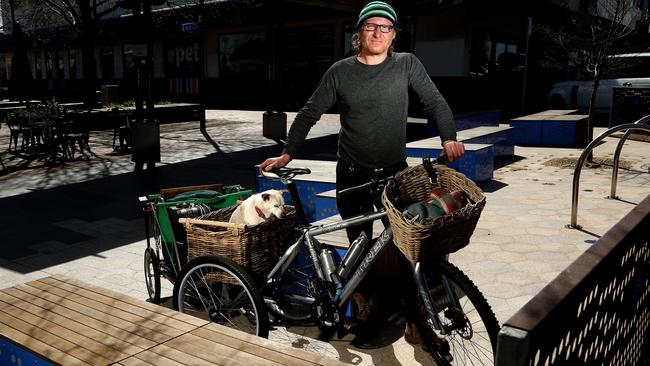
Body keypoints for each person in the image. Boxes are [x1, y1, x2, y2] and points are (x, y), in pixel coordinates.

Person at [259, 0, 465, 345]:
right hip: (352, 175)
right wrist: (287, 153)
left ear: (394, 35)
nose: (378, 32)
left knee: (406, 249)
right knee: (359, 247)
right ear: (360, 33)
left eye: (386, 27)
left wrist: (449, 136)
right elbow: (310, 112)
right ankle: (364, 310)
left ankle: (417, 321)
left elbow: (435, 101)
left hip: (394, 176)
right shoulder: (340, 72)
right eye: (371, 26)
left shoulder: (406, 64)